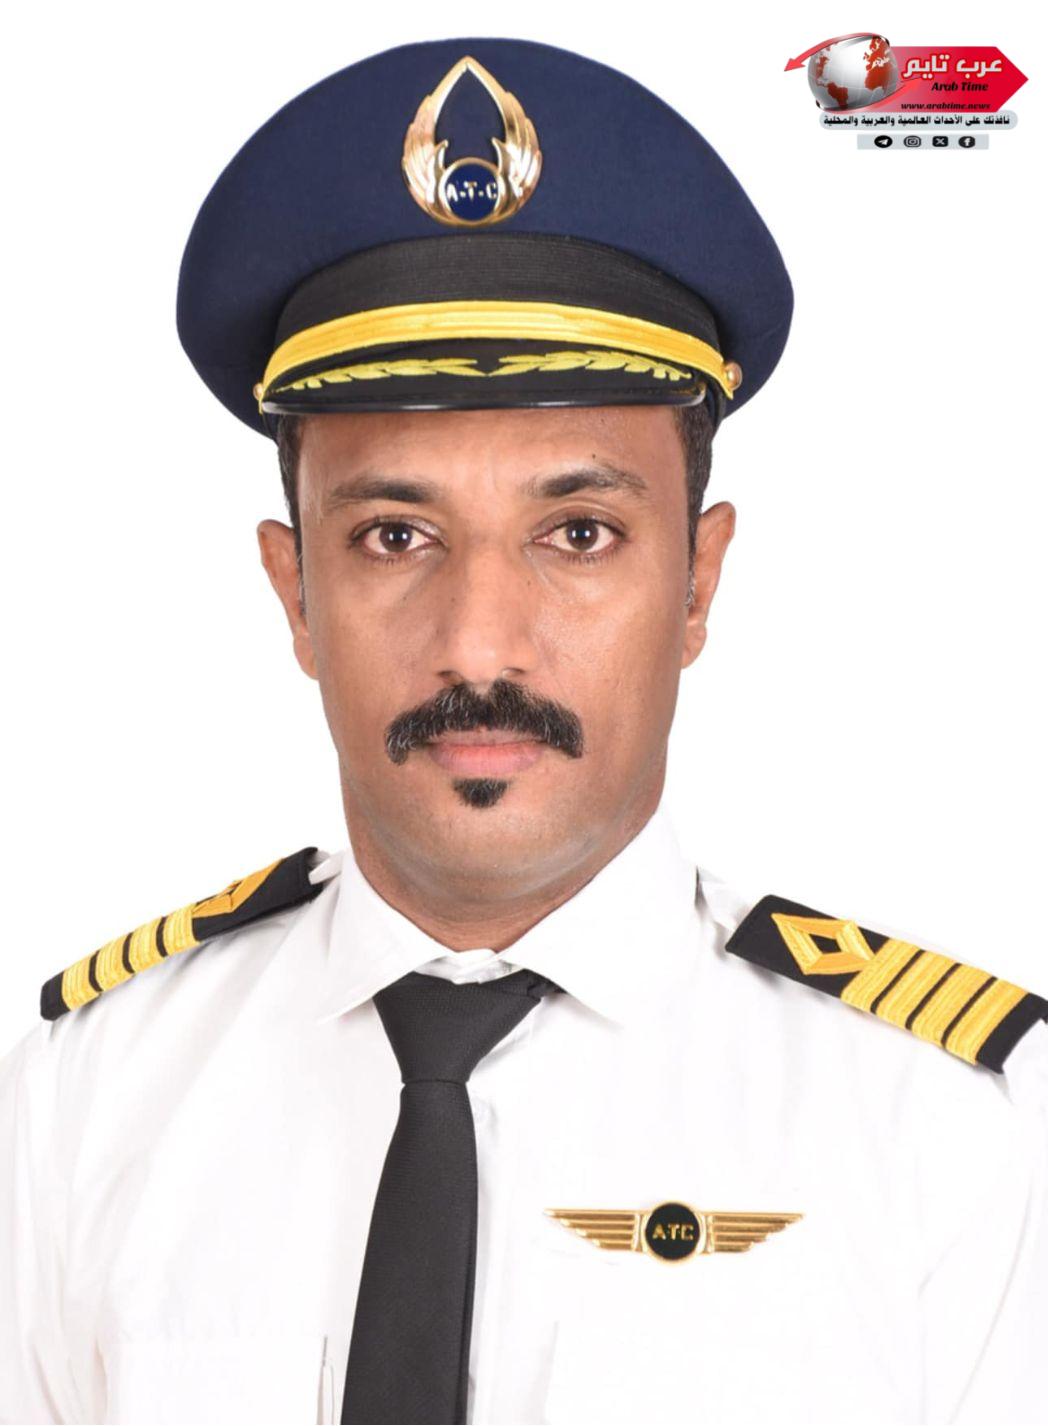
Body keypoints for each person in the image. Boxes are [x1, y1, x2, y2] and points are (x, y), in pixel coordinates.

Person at [1, 35, 1045, 1426]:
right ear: (295, 591)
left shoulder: (957, 1134)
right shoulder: (86, 1101)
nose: (481, 645)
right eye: (395, 534)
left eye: (579, 533)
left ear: (698, 583)